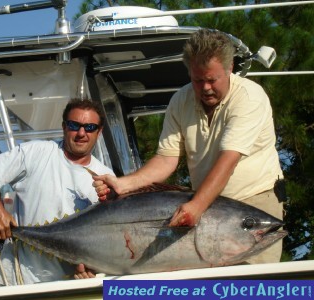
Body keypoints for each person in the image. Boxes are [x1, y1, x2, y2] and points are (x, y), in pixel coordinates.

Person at [93, 29, 284, 264]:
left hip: (252, 204)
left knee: (251, 287)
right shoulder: (180, 100)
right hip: (206, 208)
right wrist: (124, 185)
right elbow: (166, 159)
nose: (205, 88)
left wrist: (195, 206)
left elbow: (228, 160)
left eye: (212, 80)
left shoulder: (250, 97)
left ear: (230, 68)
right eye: (197, 80)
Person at [0, 98, 115, 285]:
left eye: (89, 127)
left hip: (69, 286)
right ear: (64, 126)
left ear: (99, 131)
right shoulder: (37, 152)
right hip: (16, 281)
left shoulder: (107, 177)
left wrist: (92, 270)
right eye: (74, 125)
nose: (81, 133)